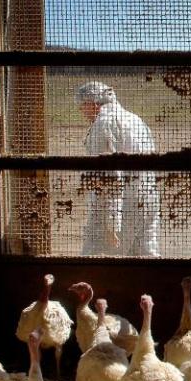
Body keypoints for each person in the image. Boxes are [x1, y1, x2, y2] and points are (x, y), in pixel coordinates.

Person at [75, 81, 160, 257]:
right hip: (148, 201)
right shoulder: (136, 120)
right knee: (146, 255)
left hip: (122, 208)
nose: (81, 111)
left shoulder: (102, 124)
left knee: (96, 259)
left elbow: (110, 177)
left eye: (82, 105)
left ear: (94, 103)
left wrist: (112, 223)